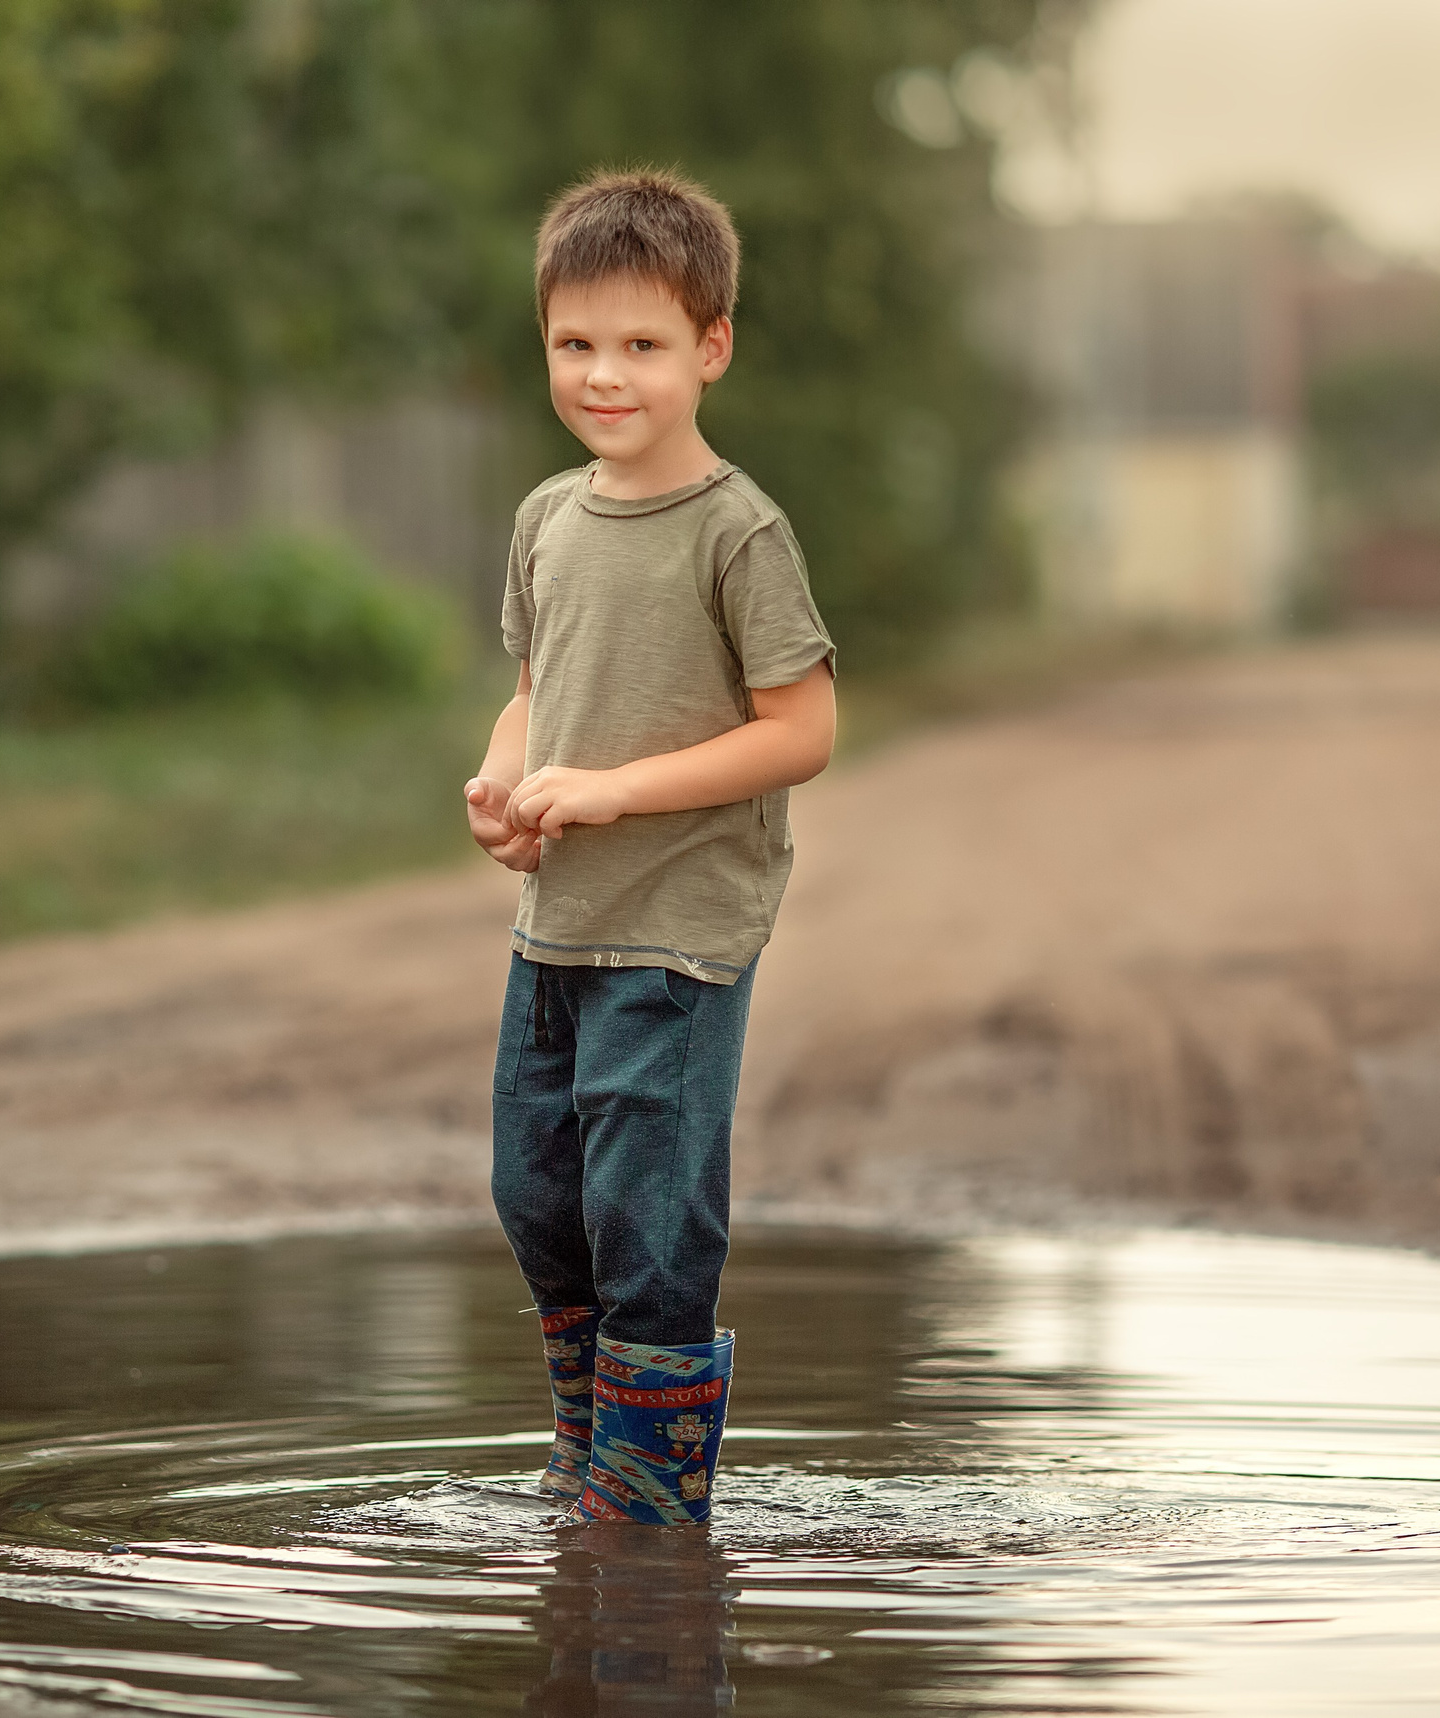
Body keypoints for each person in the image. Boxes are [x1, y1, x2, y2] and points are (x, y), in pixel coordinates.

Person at [463, 168, 836, 1525]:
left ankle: (651, 1489)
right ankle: (587, 1443)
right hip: (558, 923)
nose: (604, 374)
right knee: (536, 1191)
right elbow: (533, 691)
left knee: (647, 1206)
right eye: (577, 343)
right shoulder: (548, 520)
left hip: (681, 927)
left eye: (642, 344)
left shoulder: (737, 529)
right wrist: (505, 780)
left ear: (711, 348)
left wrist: (620, 792)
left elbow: (802, 727)